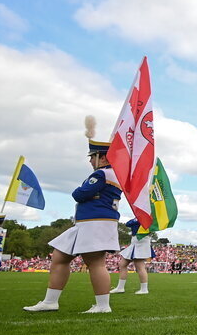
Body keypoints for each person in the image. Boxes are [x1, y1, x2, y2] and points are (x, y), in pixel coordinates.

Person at [24, 116, 123, 313]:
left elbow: (79, 194)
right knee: (59, 257)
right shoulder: (111, 174)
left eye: (92, 156)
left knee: (95, 263)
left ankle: (103, 306)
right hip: (88, 223)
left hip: (95, 223)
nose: (90, 161)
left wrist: (84, 189)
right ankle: (51, 301)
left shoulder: (101, 174)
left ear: (102, 157)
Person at [109, 218, 153, 294]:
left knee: (140, 266)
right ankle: (120, 288)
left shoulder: (147, 217)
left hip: (141, 242)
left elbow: (141, 224)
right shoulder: (139, 217)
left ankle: (144, 289)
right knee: (122, 264)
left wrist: (137, 220)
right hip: (134, 242)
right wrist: (136, 219)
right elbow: (128, 224)